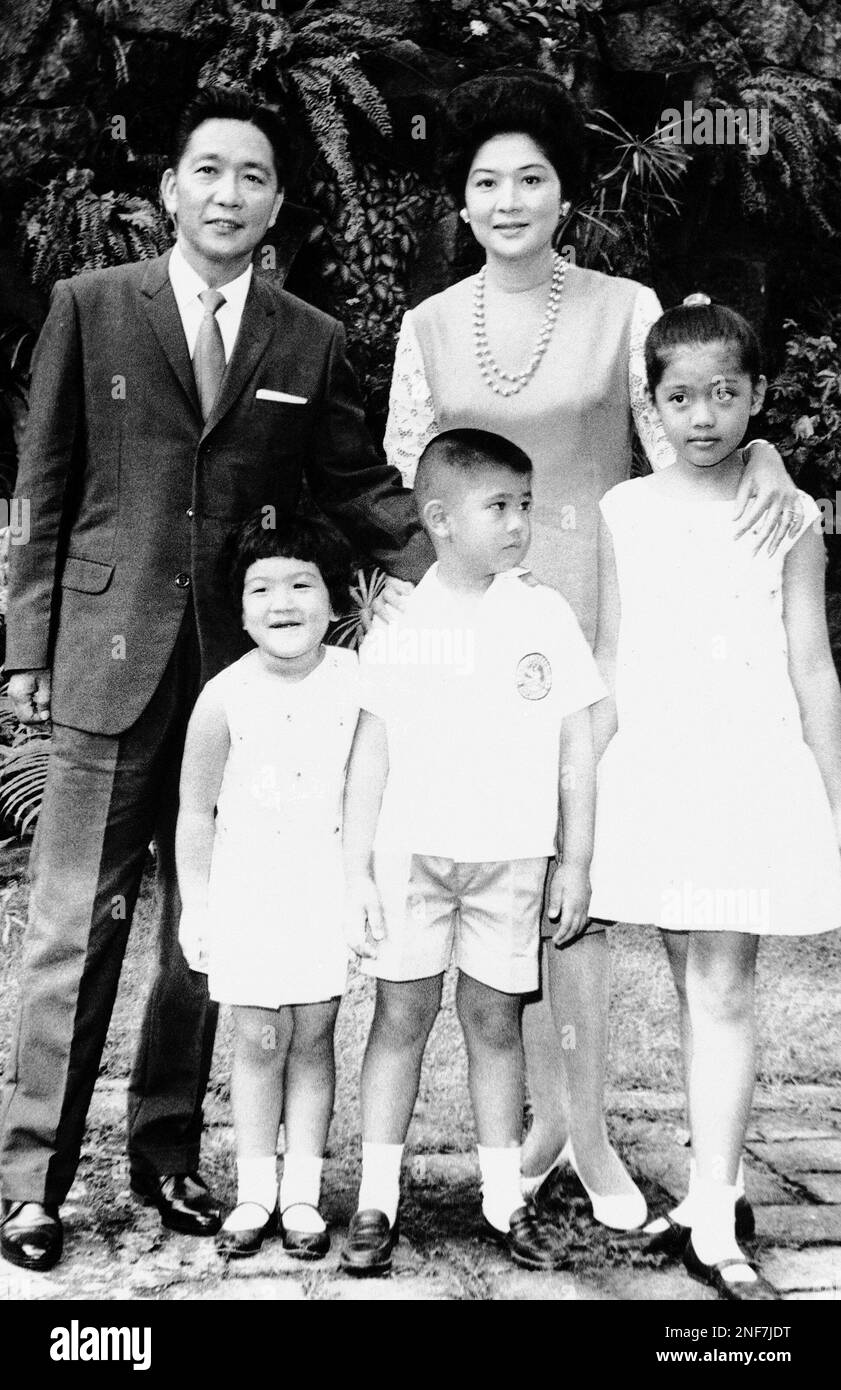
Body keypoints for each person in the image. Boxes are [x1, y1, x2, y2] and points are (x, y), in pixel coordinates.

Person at [0, 85, 431, 1273]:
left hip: (244, 682)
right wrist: (24, 647)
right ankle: (31, 1180)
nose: (227, 193)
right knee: (68, 929)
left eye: (252, 175)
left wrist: (458, 565)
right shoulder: (89, 308)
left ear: (278, 201)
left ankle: (168, 1153)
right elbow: (36, 486)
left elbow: (354, 481)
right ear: (169, 191)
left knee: (209, 930)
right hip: (103, 659)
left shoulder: (309, 337)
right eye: (207, 170)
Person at [383, 68, 801, 1229]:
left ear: (565, 192)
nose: (508, 199)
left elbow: (686, 437)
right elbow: (407, 486)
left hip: (605, 635)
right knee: (505, 876)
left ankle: (593, 1137)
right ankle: (530, 1131)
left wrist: (761, 459)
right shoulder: (426, 327)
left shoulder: (626, 305)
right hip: (475, 644)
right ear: (459, 201)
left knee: (585, 886)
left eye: (531, 177)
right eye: (485, 181)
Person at [588, 296, 841, 1299]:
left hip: (747, 767)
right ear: (651, 407)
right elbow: (611, 655)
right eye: (680, 398)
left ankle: (718, 1225)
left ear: (758, 399)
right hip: (654, 767)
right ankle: (708, 1191)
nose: (703, 417)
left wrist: (831, 795)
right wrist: (584, 794)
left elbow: (813, 662)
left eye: (725, 396)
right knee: (688, 974)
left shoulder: (785, 511)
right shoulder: (624, 511)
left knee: (725, 985)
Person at [339, 428, 606, 1275]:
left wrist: (578, 860)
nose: (520, 523)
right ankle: (376, 1198)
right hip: (413, 858)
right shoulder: (403, 618)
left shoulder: (544, 615)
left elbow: (575, 750)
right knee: (399, 1020)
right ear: (441, 520)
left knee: (494, 1024)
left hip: (512, 860)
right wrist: (356, 867)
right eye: (499, 507)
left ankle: (502, 1197)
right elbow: (371, 752)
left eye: (525, 505)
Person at [176, 512, 359, 1260]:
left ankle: (304, 1197)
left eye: (300, 583)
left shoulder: (357, 684)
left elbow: (369, 796)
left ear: (335, 596)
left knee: (312, 1038)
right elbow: (194, 810)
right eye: (261, 587)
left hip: (322, 885)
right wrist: (198, 905)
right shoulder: (224, 696)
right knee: (257, 1041)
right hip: (247, 889)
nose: (282, 601)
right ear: (239, 605)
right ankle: (255, 1191)